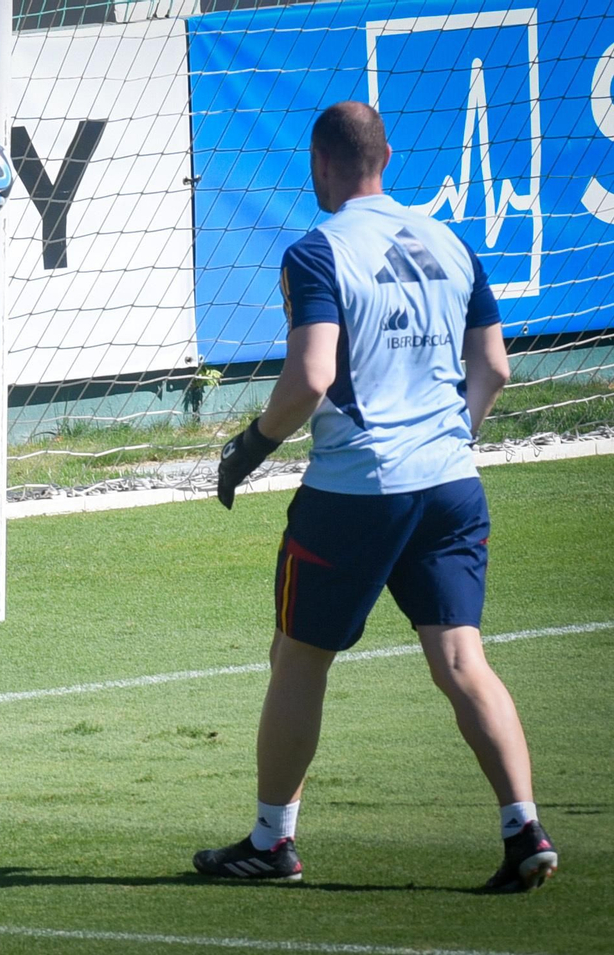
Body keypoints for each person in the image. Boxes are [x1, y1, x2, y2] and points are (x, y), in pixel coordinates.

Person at [193, 102, 558, 892]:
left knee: (298, 657)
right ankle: (523, 826)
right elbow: (494, 368)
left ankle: (272, 841)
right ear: (386, 157)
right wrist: (448, 437)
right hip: (453, 484)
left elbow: (313, 377)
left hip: (357, 490)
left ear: (323, 163)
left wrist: (249, 448)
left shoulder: (317, 252)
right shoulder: (451, 239)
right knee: (462, 659)